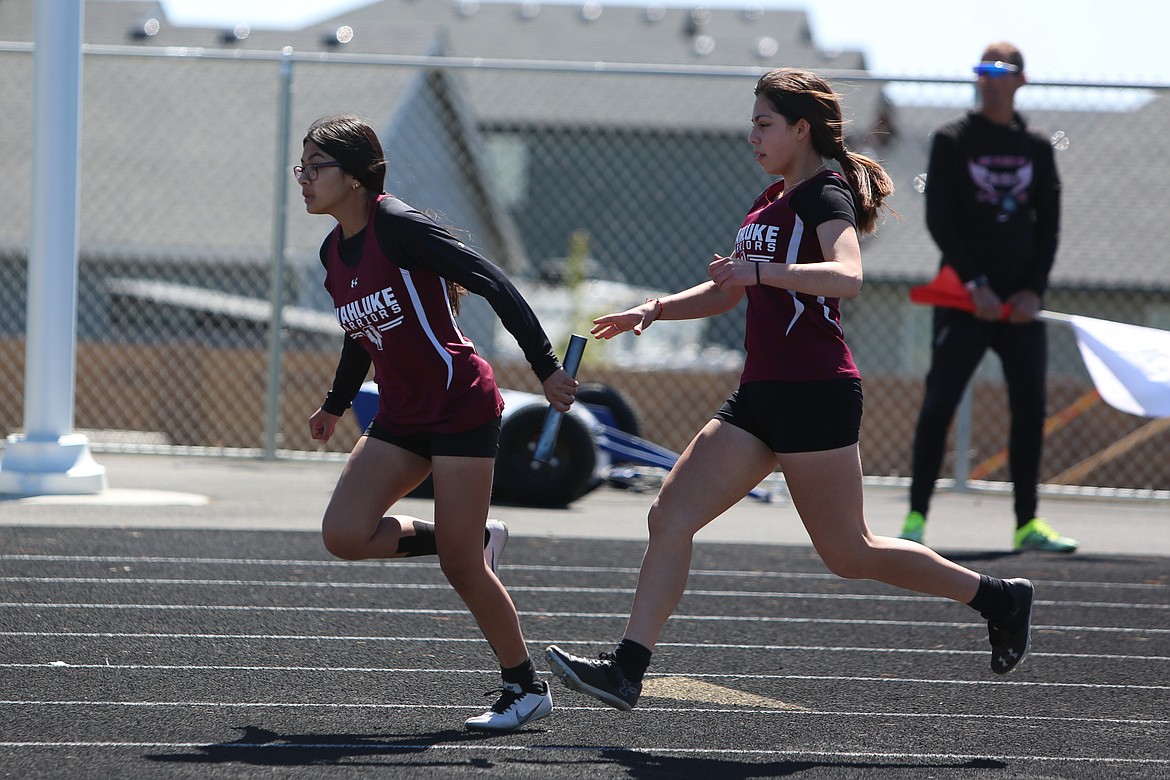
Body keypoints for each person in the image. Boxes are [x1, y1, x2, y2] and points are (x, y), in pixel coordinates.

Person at [544, 68, 1035, 712]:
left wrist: (761, 271)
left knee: (849, 554)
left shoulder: (824, 192)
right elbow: (729, 290)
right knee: (670, 516)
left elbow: (848, 275)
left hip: (815, 393)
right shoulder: (766, 202)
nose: (751, 134)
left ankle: (998, 598)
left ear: (801, 129)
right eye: (752, 121)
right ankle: (627, 670)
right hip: (759, 397)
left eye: (763, 122)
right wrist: (654, 310)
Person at [299, 114, 578, 731]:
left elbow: (494, 282)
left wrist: (546, 367)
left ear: (354, 176)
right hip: (401, 414)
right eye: (303, 166)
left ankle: (525, 688)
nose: (304, 178)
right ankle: (472, 535)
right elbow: (358, 335)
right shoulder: (332, 249)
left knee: (459, 567)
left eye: (316, 166)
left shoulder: (394, 226)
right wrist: (335, 404)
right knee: (344, 534)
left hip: (459, 407)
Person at [901, 42, 1077, 553]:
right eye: (982, 70)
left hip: (1020, 309)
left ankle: (1027, 523)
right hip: (964, 299)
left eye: (1000, 71)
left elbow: (1050, 227)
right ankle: (914, 519)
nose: (989, 80)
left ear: (1021, 80)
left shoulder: (1039, 147)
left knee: (1030, 408)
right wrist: (975, 283)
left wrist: (1032, 292)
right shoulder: (953, 140)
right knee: (939, 404)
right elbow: (940, 218)